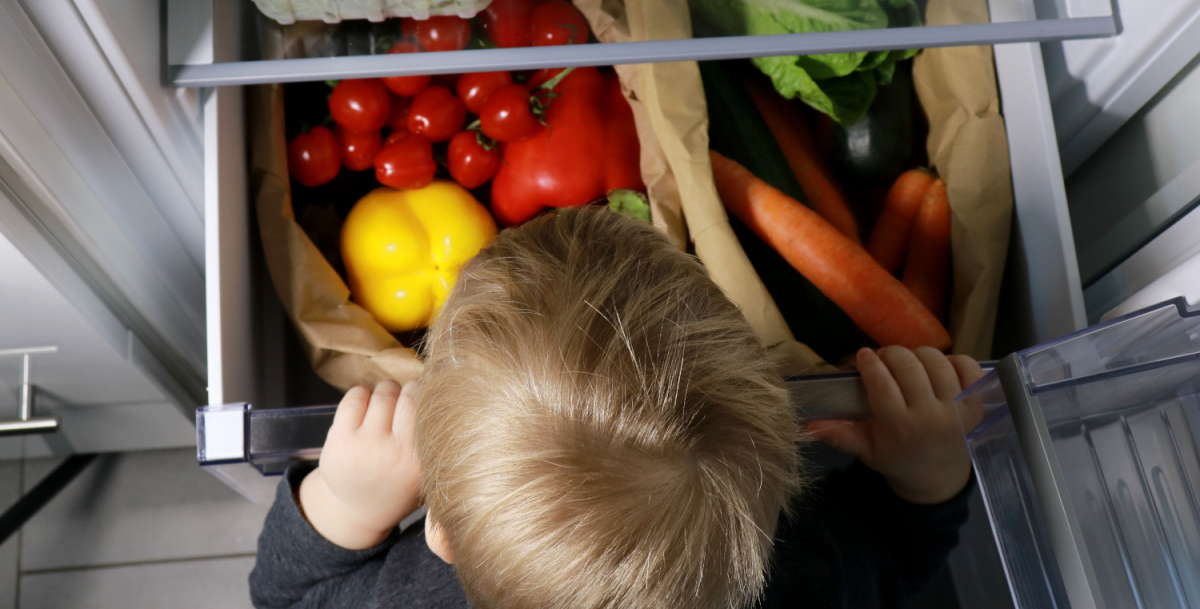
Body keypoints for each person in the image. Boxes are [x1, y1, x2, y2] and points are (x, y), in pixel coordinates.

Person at [250, 207, 984, 609]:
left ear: (441, 534)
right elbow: (899, 559)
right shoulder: (807, 580)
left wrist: (344, 505)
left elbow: (283, 600)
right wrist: (932, 477)